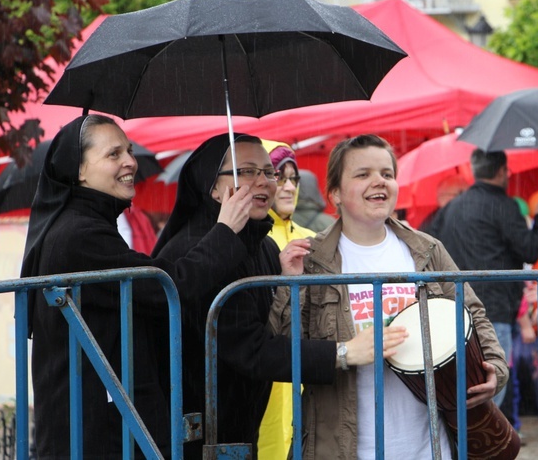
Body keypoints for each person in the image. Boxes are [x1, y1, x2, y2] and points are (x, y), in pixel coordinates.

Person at [152, 133, 407, 459]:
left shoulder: (264, 244)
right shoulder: (194, 250)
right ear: (213, 188)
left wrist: (286, 283)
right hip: (195, 434)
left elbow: (273, 326)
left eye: (267, 172)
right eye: (246, 171)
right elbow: (248, 348)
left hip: (239, 427)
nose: (264, 181)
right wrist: (343, 353)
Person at [20, 115, 245, 458]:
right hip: (95, 436)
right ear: (79, 170)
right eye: (113, 154)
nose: (130, 161)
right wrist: (225, 231)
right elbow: (171, 285)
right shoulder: (80, 234)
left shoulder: (80, 224)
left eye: (128, 150)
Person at [274, 135, 509, 459]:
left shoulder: (427, 249)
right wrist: (290, 284)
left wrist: (495, 366)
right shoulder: (312, 260)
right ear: (335, 194)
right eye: (362, 174)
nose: (378, 182)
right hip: (343, 447)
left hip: (428, 446)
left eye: (387, 173)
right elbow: (284, 347)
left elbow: (472, 312)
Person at [434, 148, 538, 407]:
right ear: (502, 172)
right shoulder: (503, 205)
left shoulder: (453, 206)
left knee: (468, 385)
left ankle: (466, 443)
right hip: (493, 310)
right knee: (490, 387)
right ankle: (478, 445)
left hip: (455, 307)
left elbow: (431, 242)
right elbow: (530, 250)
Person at [256, 140, 315, 459]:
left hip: (305, 368)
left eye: (295, 178)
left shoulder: (312, 238)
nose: (289, 186)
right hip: (269, 370)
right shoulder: (255, 239)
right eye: (280, 176)